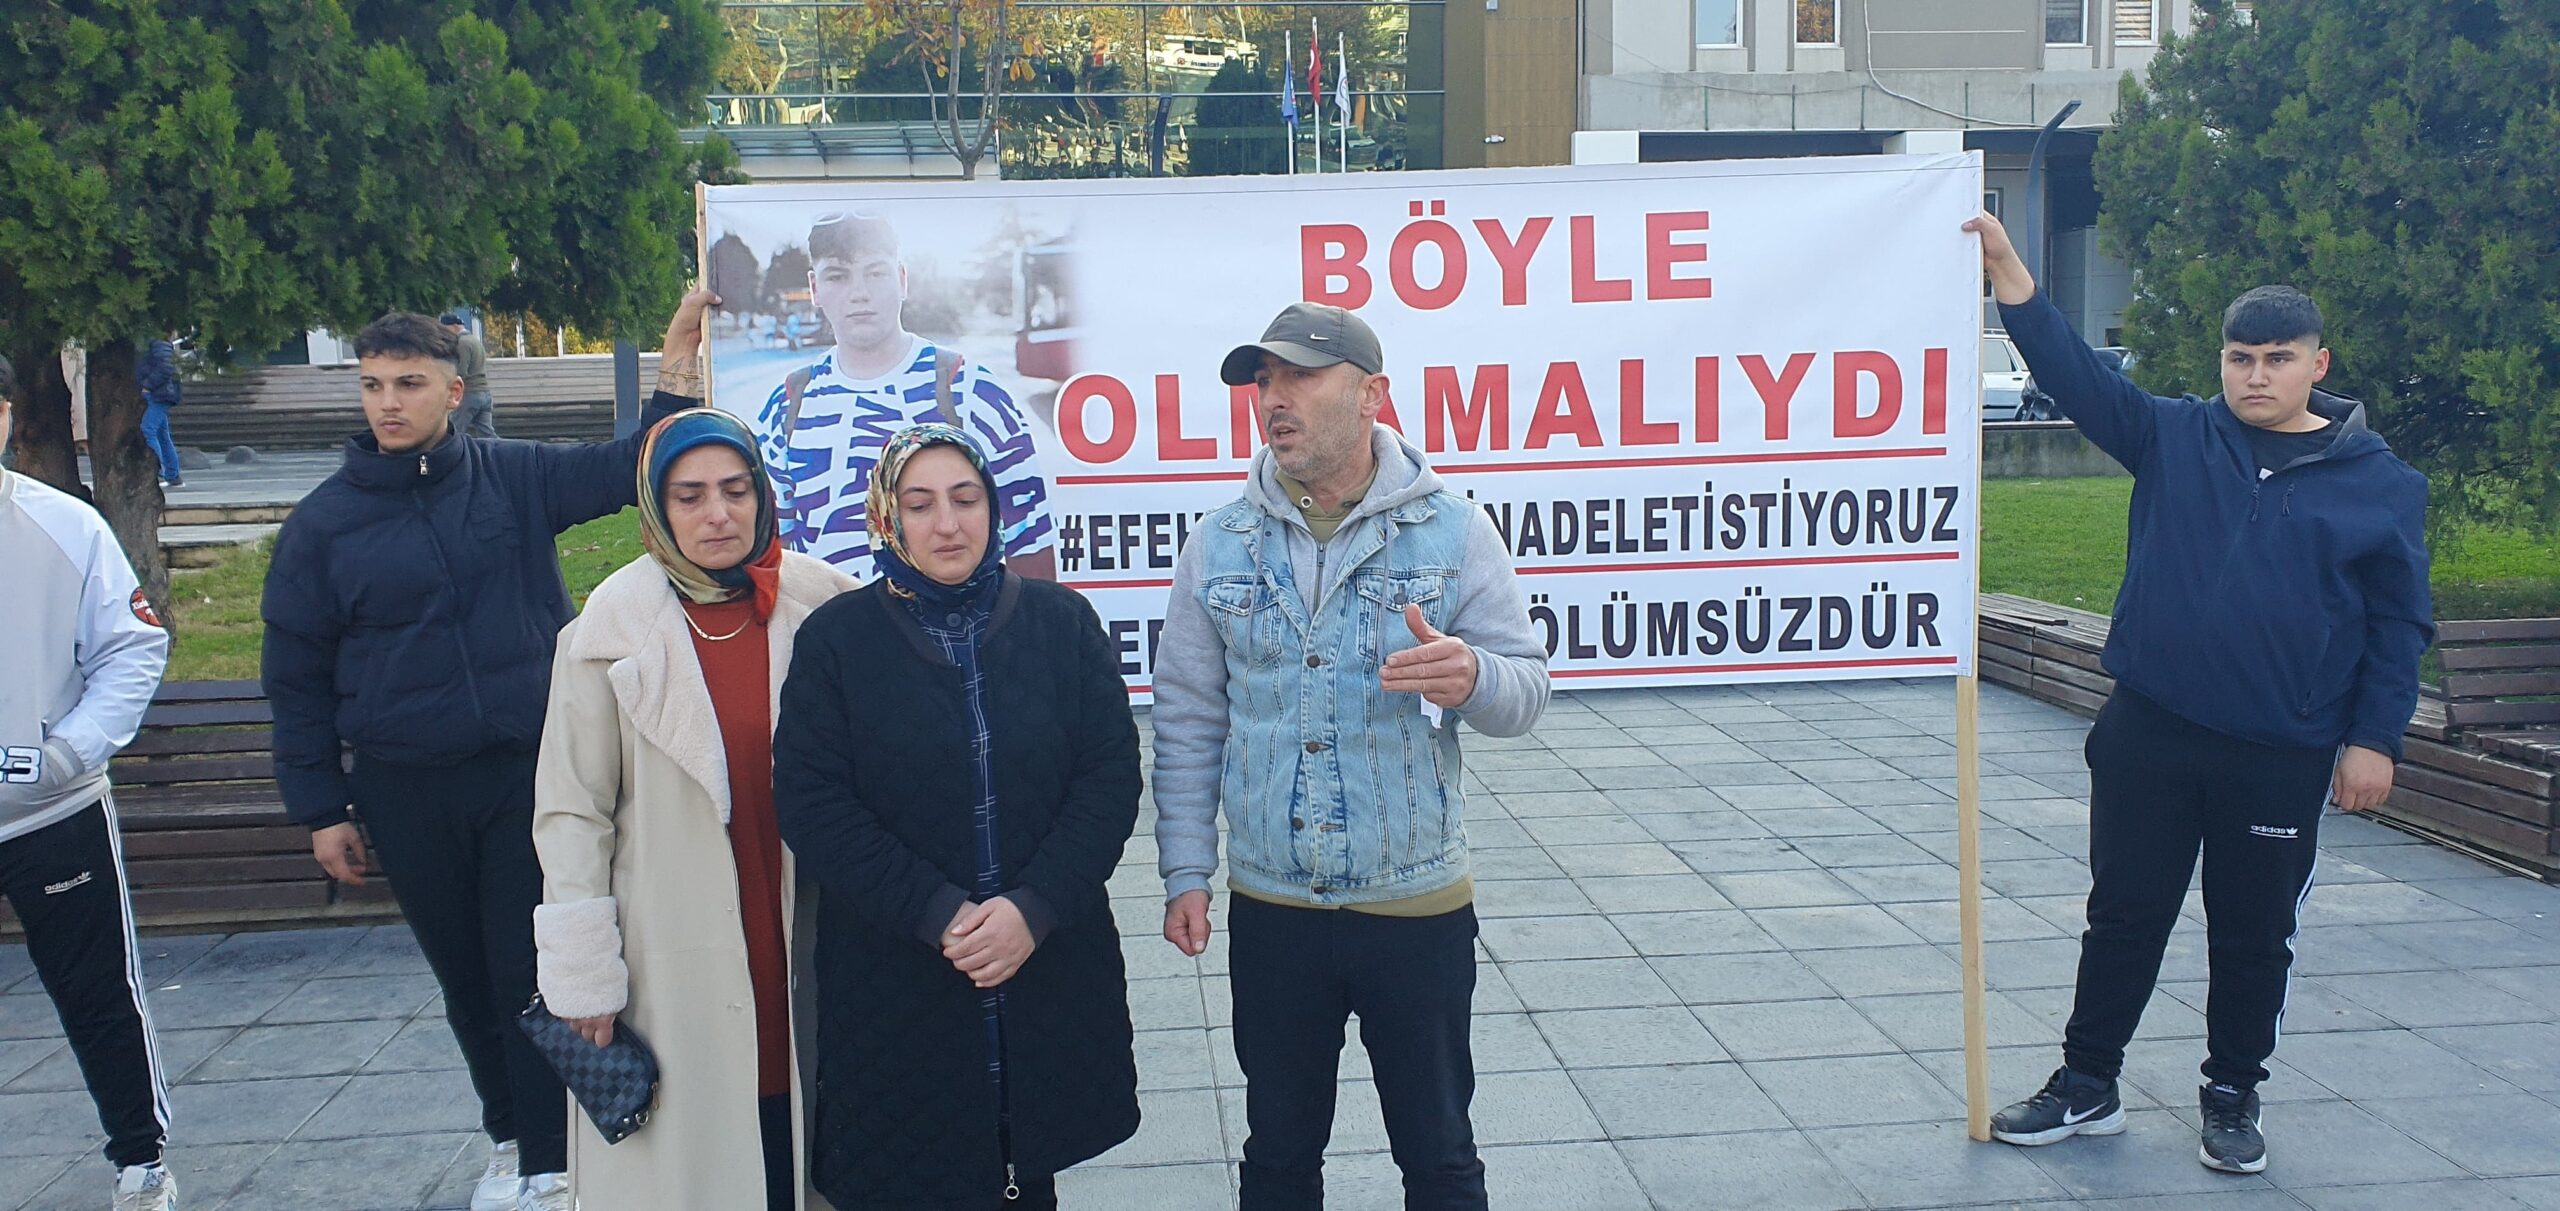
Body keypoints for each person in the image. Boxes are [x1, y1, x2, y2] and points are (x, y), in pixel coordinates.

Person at [1967, 213, 2433, 1175]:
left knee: (2253, 932)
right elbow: (2076, 376)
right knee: (2124, 913)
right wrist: (2009, 271)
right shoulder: (2174, 436)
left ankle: (2232, 1094)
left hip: (2279, 750)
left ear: (2316, 363)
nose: (2255, 373)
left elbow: (2397, 625)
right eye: (2239, 356)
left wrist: (2374, 738)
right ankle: (2086, 1085)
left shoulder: (2380, 486)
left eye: (2276, 357)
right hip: (2151, 731)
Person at [261, 292, 717, 1211]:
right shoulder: (322, 526)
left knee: (534, 965)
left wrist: (673, 371)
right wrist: (320, 808)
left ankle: (556, 1160)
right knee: (464, 974)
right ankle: (512, 1139)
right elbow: (296, 674)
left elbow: (629, 467)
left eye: (409, 383)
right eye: (373, 385)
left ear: (453, 391)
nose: (388, 402)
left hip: (526, 774)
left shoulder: (512, 478)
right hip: (404, 785)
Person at [1152, 303, 1552, 1210]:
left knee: (1441, 1153)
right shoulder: (1218, 543)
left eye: (1299, 376)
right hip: (1274, 905)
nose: (1273, 399)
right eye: (1263, 380)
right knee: (1279, 1159)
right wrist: (1186, 868)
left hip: (1415, 903)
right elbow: (1185, 717)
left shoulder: (1453, 531)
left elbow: (1525, 690)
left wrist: (1474, 675)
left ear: (1373, 394)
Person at [772, 424, 1141, 1211]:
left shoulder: (1061, 623)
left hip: (1041, 964)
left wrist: (1030, 911)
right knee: (908, 1167)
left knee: (1023, 1167)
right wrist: (940, 914)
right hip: (899, 974)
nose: (948, 523)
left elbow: (1107, 777)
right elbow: (812, 799)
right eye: (921, 502)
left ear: (993, 507)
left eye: (966, 498)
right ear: (888, 518)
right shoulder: (837, 639)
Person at [531, 409, 853, 1210]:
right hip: (671, 949)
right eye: (691, 495)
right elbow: (572, 811)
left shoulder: (827, 603)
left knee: (814, 1134)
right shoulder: (606, 629)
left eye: (736, 490)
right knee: (706, 1160)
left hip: (812, 928)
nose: (718, 513)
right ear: (656, 510)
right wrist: (583, 973)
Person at [0, 352, 181, 1211]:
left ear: (6, 416)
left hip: (49, 810)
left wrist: (70, 751)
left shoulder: (64, 526)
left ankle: (141, 1162)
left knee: (98, 992)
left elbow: (132, 647)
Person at [753, 212, 1058, 581]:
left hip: (953, 634)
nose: (859, 293)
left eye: (876, 272)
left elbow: (1031, 542)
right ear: (815, 288)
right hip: (829, 634)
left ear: (901, 280)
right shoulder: (787, 405)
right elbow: (776, 555)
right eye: (838, 275)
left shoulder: (970, 390)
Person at [134, 334, 184, 488]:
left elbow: (166, 367)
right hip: (160, 392)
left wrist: (147, 385)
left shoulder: (157, 339)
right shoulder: (159, 340)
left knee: (148, 430)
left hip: (157, 393)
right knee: (162, 434)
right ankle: (172, 475)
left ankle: (157, 473)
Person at [441, 314, 498, 439]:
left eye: (445, 328)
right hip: (484, 392)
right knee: (487, 433)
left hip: (469, 394)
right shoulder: (475, 340)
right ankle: (504, 453)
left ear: (454, 326)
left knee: (454, 431)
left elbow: (461, 371)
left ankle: (451, 457)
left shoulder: (462, 343)